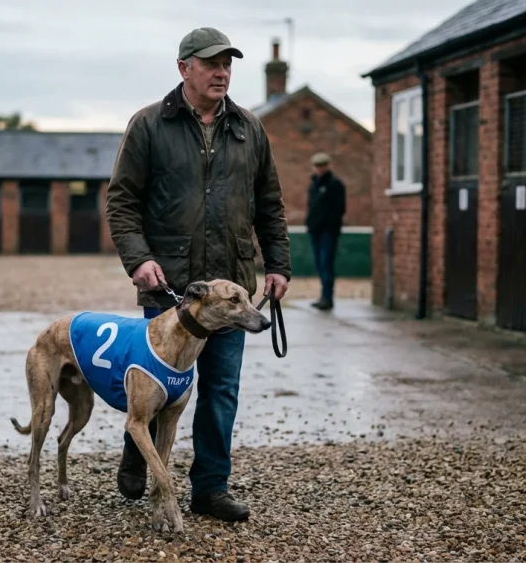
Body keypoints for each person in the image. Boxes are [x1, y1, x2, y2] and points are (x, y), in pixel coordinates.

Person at [105, 27, 291, 522]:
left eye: (228, 63)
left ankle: (209, 488)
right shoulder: (149, 125)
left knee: (221, 388)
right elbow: (121, 201)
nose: (222, 71)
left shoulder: (249, 129)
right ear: (184, 67)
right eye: (211, 63)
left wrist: (277, 264)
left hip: (232, 290)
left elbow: (270, 205)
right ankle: (136, 444)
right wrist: (138, 259)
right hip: (169, 287)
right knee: (156, 385)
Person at [304, 152, 346, 311]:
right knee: (320, 264)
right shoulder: (313, 184)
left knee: (326, 263)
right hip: (315, 231)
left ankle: (327, 297)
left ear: (327, 166)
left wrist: (329, 224)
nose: (320, 169)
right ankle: (323, 296)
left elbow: (340, 208)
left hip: (328, 232)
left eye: (322, 165)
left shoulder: (335, 184)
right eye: (317, 166)